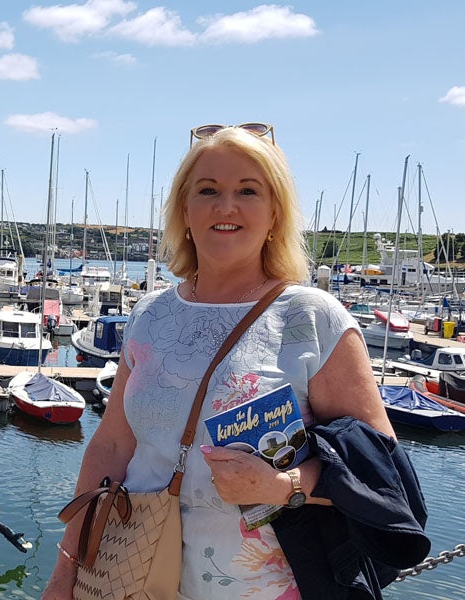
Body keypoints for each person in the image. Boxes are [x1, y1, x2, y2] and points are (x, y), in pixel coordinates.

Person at [43, 124, 424, 600]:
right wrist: (65, 574)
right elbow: (112, 448)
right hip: (130, 578)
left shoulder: (312, 318)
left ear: (274, 214)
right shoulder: (150, 314)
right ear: (184, 211)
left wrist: (282, 486)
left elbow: (379, 475)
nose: (226, 206)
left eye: (248, 190)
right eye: (208, 190)